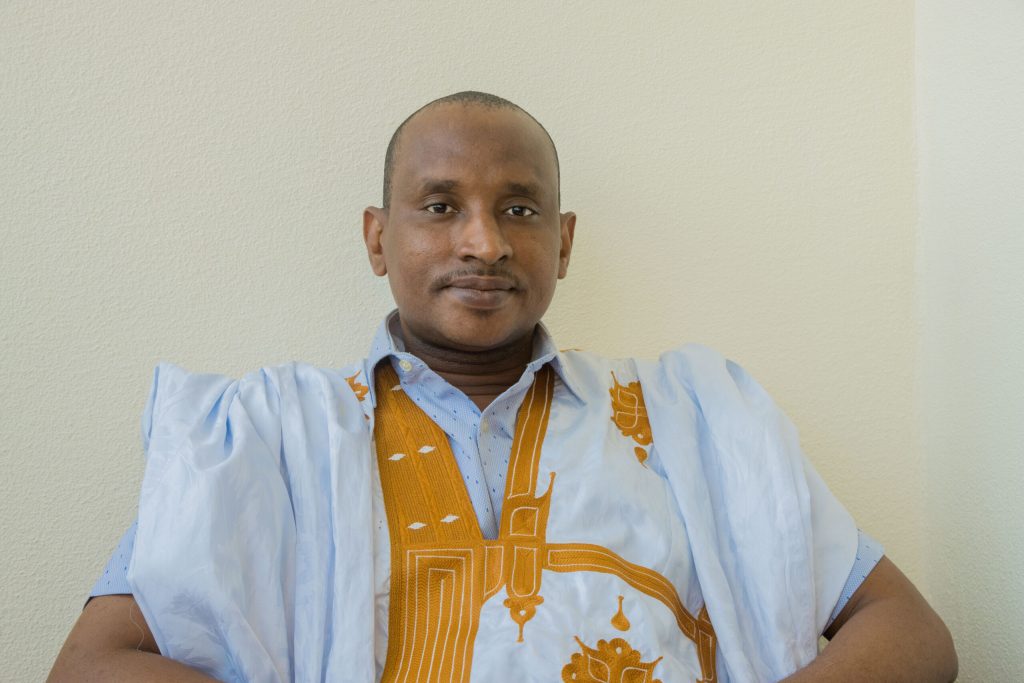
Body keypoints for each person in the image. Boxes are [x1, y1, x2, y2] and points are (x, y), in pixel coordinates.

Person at [49, 91, 957, 682]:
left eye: (519, 209)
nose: (483, 242)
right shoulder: (264, 435)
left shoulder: (689, 416)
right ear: (378, 238)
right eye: (441, 206)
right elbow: (91, 664)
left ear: (563, 241)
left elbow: (911, 633)